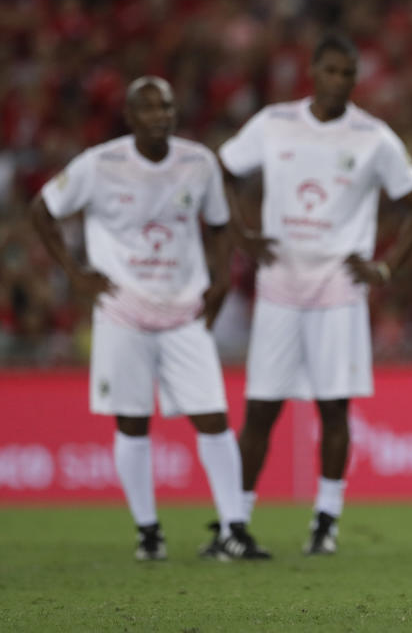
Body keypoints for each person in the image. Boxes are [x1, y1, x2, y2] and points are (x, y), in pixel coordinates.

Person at [29, 76, 270, 561]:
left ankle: (233, 528)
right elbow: (42, 210)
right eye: (150, 108)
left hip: (185, 311)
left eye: (167, 106)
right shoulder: (100, 164)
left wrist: (221, 279)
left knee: (214, 418)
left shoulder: (198, 162)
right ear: (130, 117)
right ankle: (148, 531)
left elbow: (222, 225)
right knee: (133, 423)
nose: (161, 115)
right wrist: (76, 274)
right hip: (123, 308)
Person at [219, 33, 412, 554]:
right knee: (261, 410)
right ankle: (235, 522)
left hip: (339, 289)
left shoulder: (372, 136)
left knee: (333, 408)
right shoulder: (274, 123)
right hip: (279, 285)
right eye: (331, 71)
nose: (339, 81)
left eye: (348, 74)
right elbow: (220, 171)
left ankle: (326, 520)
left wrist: (384, 267)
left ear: (354, 79)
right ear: (312, 71)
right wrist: (241, 233)